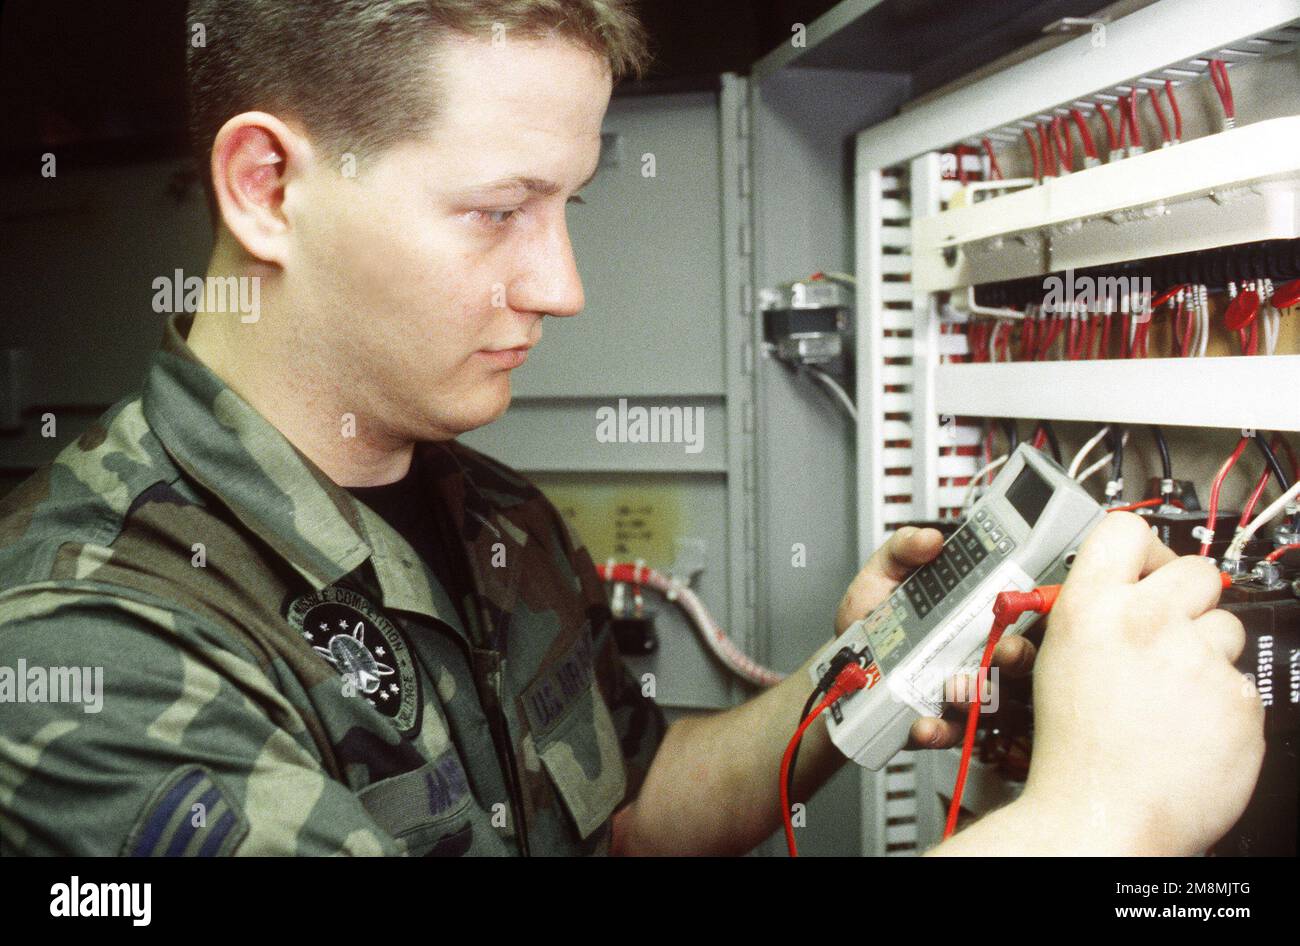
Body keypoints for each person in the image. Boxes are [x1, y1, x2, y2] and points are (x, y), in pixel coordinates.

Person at [0, 0, 1263, 857]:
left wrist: (866, 675)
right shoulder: (85, 654)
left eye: (572, 205)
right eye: (499, 210)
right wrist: (1101, 815)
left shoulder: (491, 513)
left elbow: (634, 804)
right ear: (269, 189)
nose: (561, 285)